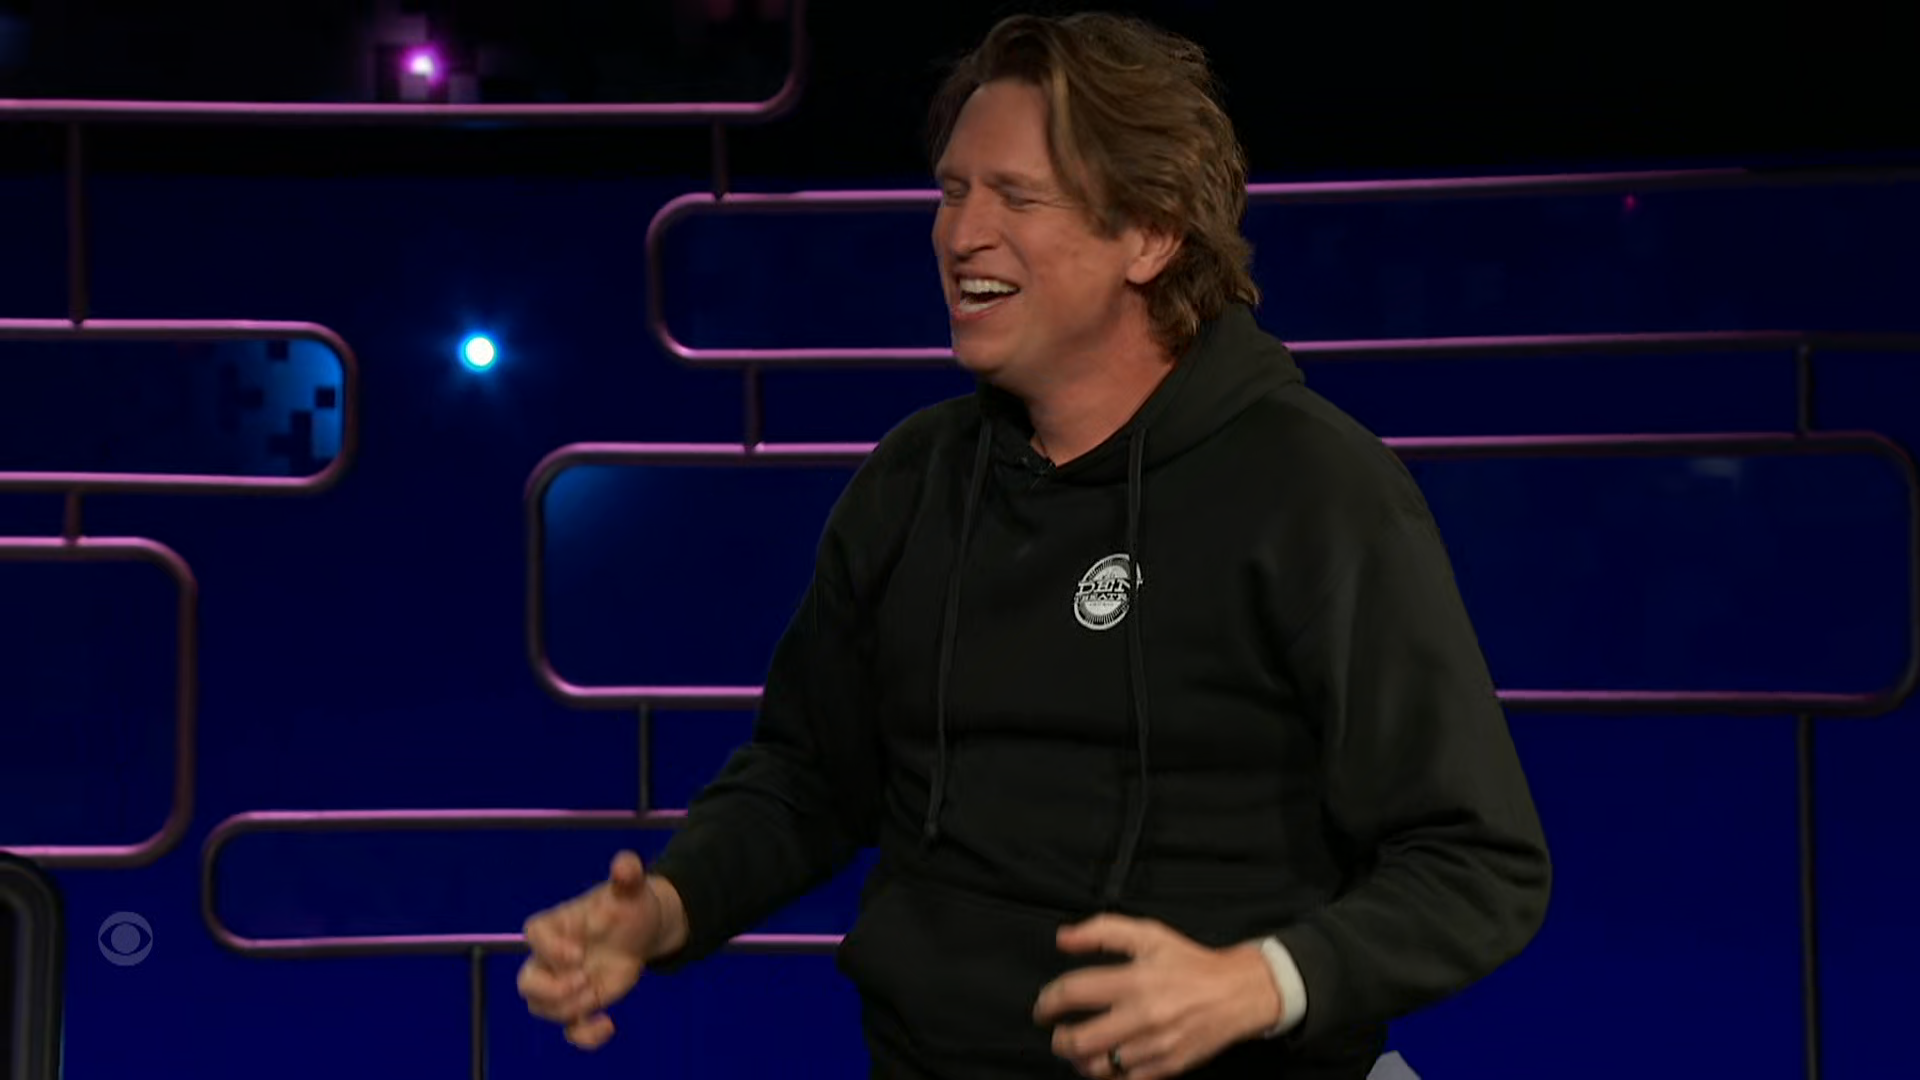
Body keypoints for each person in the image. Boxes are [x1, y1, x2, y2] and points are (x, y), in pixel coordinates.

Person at [518, 11, 1551, 1079]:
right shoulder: (913, 481)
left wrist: (1261, 980)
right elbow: (810, 777)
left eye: (1016, 197)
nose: (961, 234)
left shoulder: (1313, 489)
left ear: (1149, 234)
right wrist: (670, 907)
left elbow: (1478, 861)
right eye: (952, 192)